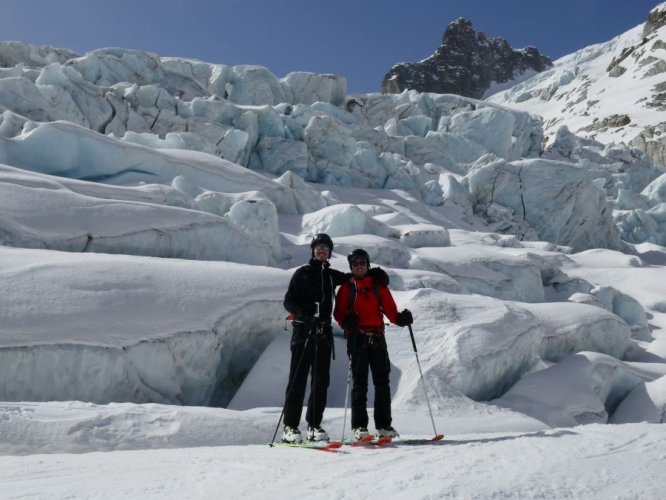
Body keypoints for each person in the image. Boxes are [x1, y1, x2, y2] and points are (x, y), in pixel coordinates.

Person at [333, 248, 413, 440]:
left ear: (368, 265)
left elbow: (390, 311)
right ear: (351, 267)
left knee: (382, 383)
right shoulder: (347, 287)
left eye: (362, 263)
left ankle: (384, 426)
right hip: (357, 339)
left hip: (377, 338)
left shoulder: (378, 285)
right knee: (360, 384)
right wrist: (346, 322)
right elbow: (338, 314)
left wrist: (401, 319)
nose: (359, 266)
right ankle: (359, 427)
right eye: (355, 264)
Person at [281, 233, 347, 443]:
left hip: (323, 334)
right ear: (312, 250)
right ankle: (290, 427)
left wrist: (376, 275)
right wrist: (306, 318)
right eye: (318, 247)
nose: (321, 251)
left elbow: (354, 278)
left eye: (325, 248)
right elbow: (289, 302)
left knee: (321, 381)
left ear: (329, 253)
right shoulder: (302, 273)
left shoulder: (330, 275)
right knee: (297, 380)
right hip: (304, 332)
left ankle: (313, 425)